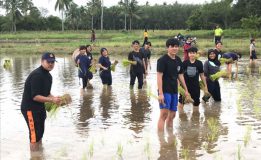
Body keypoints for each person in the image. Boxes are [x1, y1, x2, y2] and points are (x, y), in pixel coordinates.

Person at [21, 52, 62, 152]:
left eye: (53, 62)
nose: (51, 64)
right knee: (34, 136)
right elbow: (35, 96)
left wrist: (57, 99)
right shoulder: (37, 75)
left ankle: (40, 154)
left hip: (40, 107)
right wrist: (52, 100)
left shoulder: (48, 76)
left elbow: (46, 94)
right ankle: (34, 157)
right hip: (30, 108)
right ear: (42, 61)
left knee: (40, 133)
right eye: (48, 62)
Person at [157, 38, 189, 132]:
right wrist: (160, 93)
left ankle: (170, 136)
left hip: (174, 90)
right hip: (165, 90)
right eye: (172, 47)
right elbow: (159, 77)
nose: (174, 48)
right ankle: (161, 140)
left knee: (173, 115)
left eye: (176, 46)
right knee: (164, 114)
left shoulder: (178, 60)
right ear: (168, 47)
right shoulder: (162, 60)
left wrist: (186, 90)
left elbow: (180, 75)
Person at [178, 46, 208, 112]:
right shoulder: (184, 63)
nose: (192, 54)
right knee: (181, 102)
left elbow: (202, 75)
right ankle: (181, 116)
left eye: (193, 53)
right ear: (188, 54)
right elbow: (180, 75)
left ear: (196, 54)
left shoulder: (199, 63)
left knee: (196, 102)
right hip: (185, 86)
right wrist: (178, 85)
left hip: (195, 86)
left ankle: (195, 117)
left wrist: (205, 86)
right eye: (190, 53)